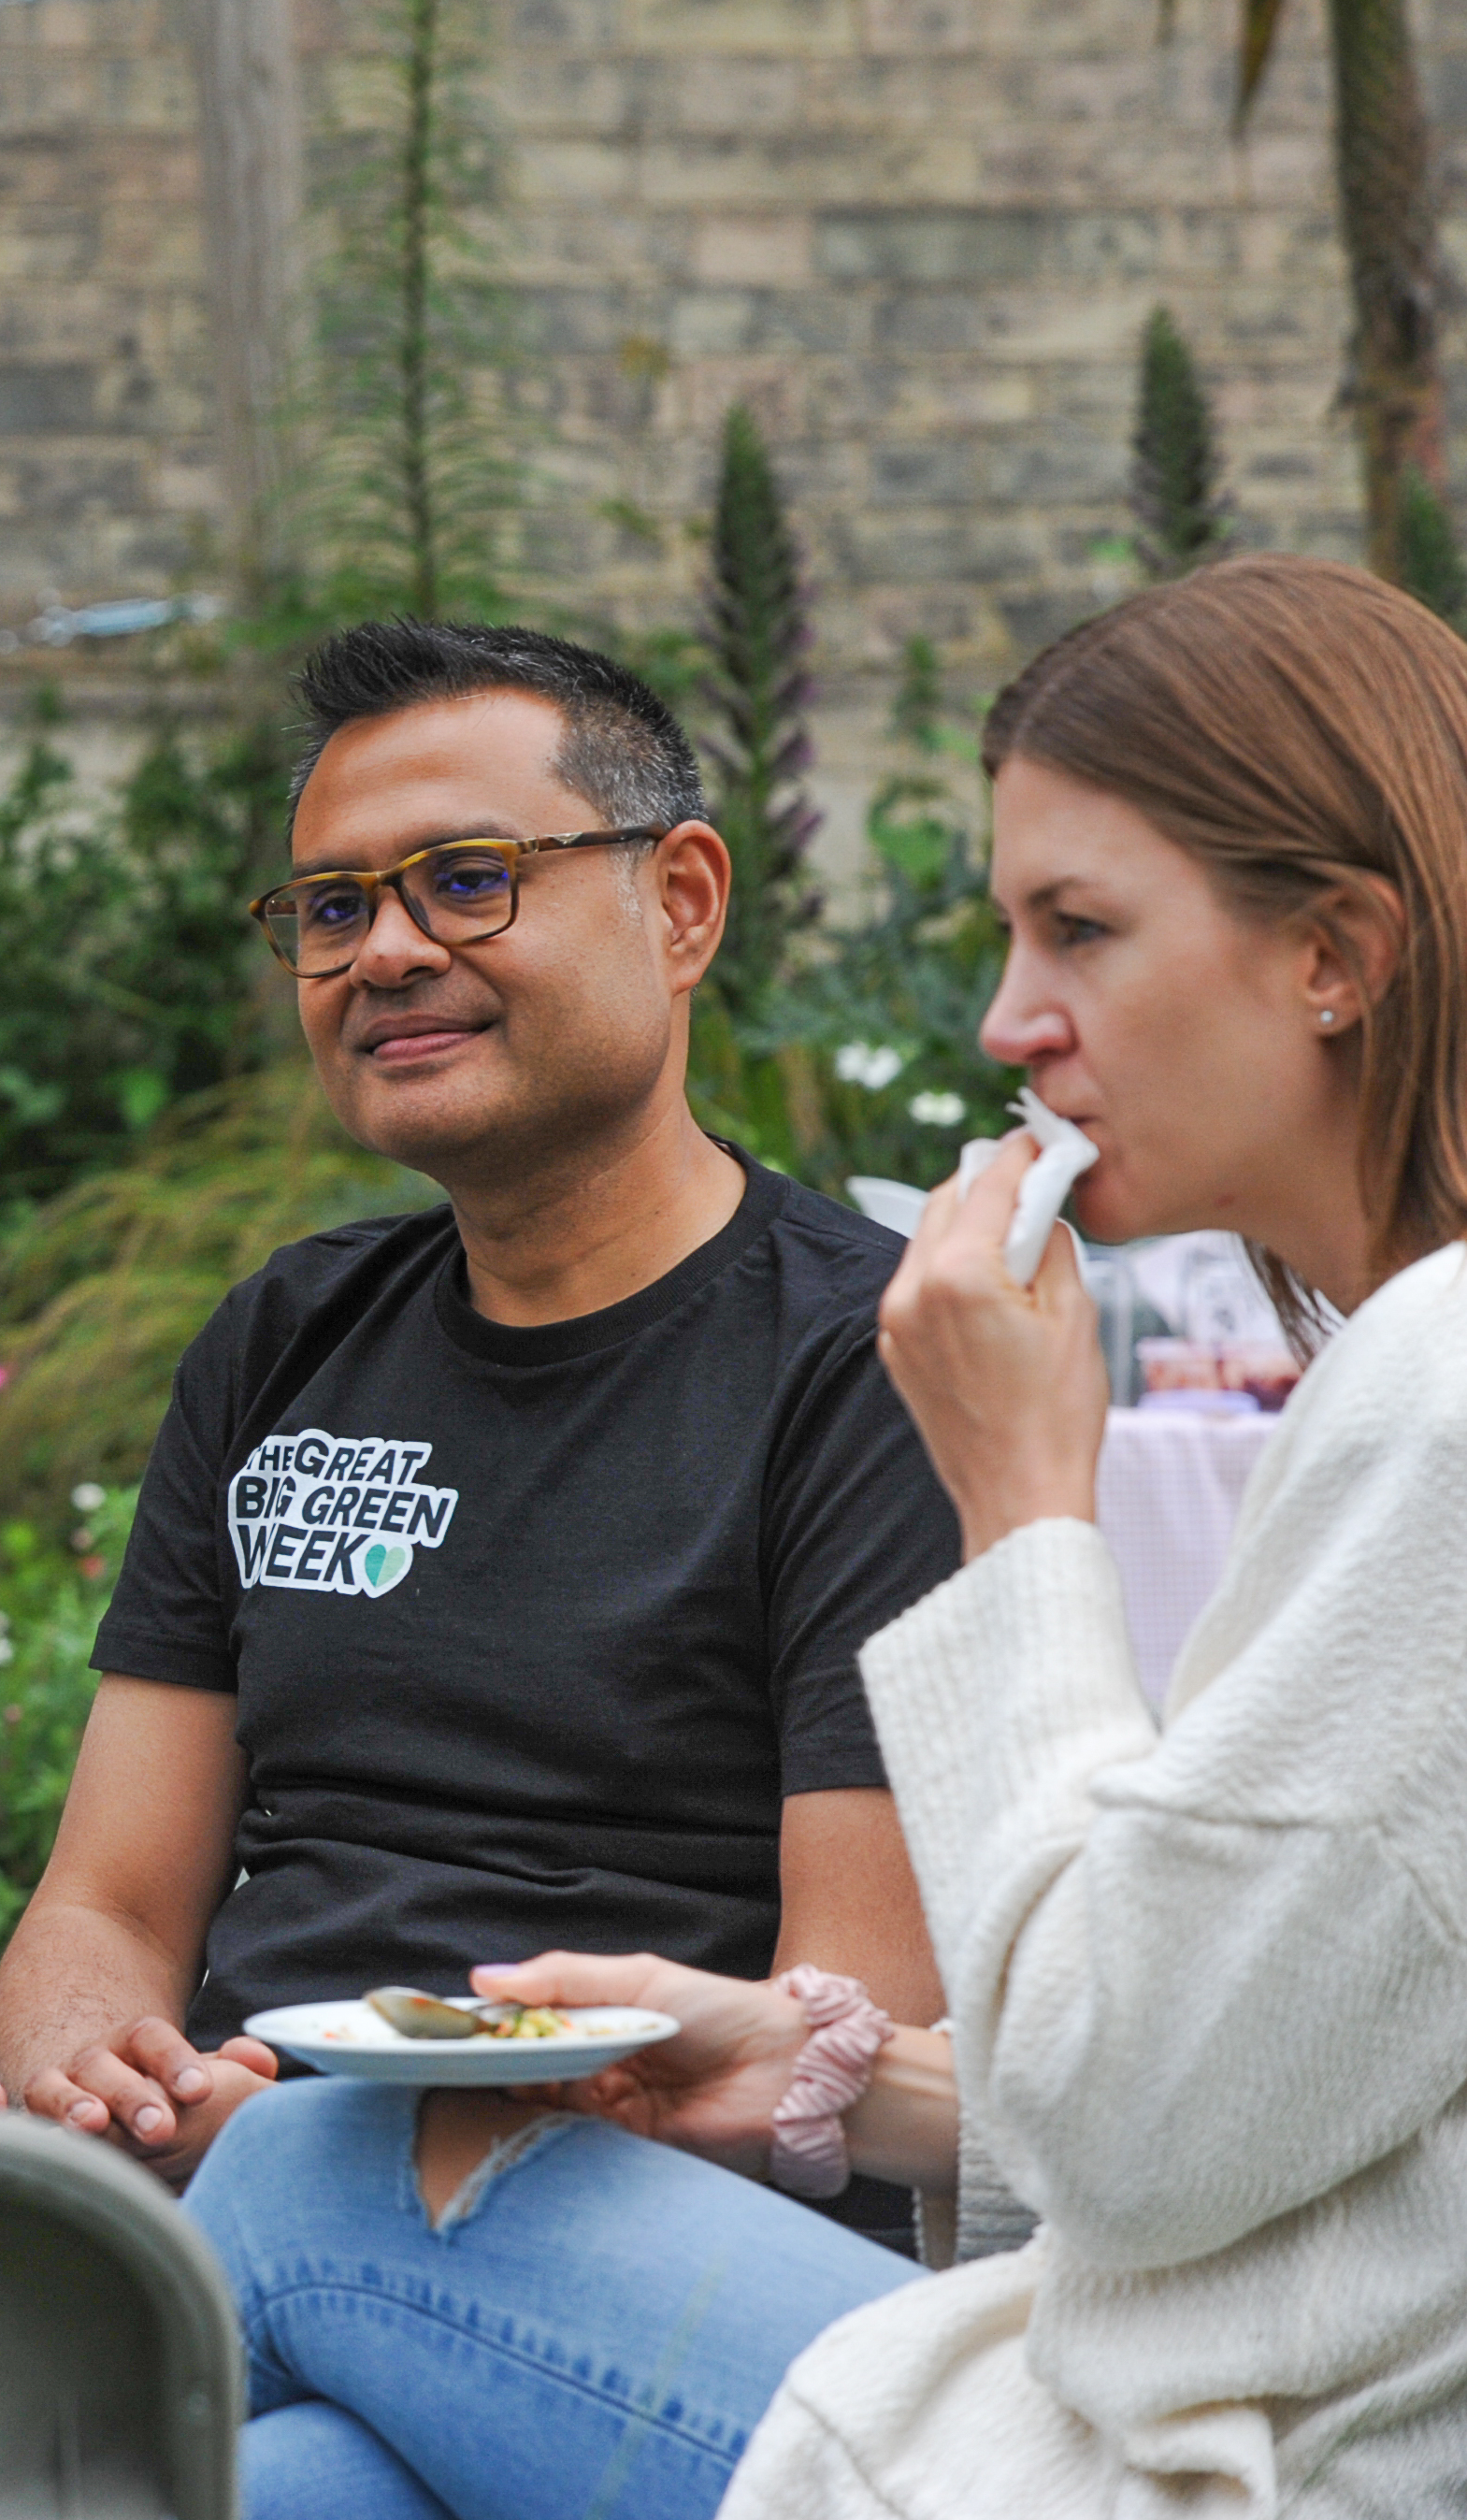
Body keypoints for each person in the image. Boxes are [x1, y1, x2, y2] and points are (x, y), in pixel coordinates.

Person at [182, 552, 1467, 2516]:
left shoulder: (1437, 1397)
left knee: (318, 2167)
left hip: (1218, 2471)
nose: (1007, 1021)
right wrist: (822, 2070)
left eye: (1083, 931)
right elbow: (1283, 2082)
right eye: (332, 905)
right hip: (1218, 2405)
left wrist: (1027, 1503)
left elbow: (1133, 2133)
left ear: (1337, 954)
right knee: (306, 2490)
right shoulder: (1411, 1375)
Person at [0, 623, 957, 2249]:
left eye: (464, 878)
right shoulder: (284, 1345)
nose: (382, 952)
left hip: (656, 2235)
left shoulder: (873, 1361)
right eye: (332, 906)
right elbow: (105, 1901)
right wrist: (105, 2082)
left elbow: (848, 2020)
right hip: (257, 2197)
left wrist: (316, 2152)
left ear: (682, 904)